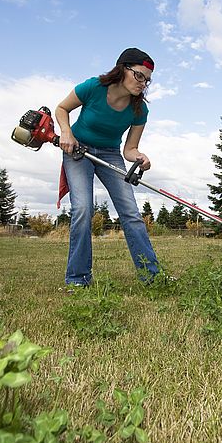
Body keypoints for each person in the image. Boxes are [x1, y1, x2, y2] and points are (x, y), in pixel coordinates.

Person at [55, 47, 160, 287]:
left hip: (110, 155)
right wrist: (66, 133)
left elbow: (129, 149)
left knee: (131, 214)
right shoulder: (93, 87)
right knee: (82, 209)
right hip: (78, 151)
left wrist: (140, 157)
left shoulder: (139, 110)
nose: (143, 83)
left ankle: (152, 277)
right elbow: (62, 109)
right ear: (123, 69)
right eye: (139, 76)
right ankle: (78, 279)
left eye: (148, 80)